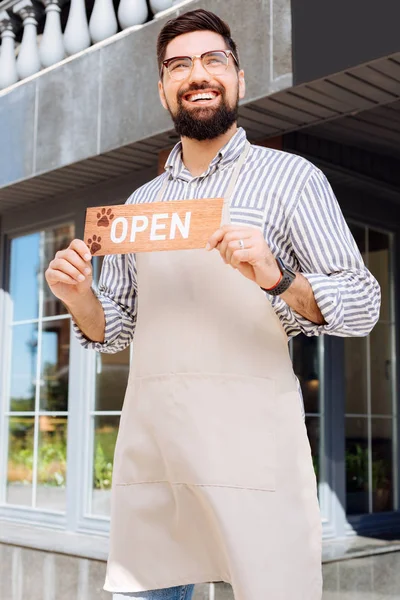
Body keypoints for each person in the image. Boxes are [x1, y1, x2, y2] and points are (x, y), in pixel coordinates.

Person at [45, 9, 380, 600]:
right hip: (159, 464)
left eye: (212, 60)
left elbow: (362, 304)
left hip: (253, 457)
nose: (196, 74)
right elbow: (116, 329)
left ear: (239, 78)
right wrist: (80, 300)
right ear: (163, 89)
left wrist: (278, 279)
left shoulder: (291, 180)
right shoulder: (140, 204)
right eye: (178, 65)